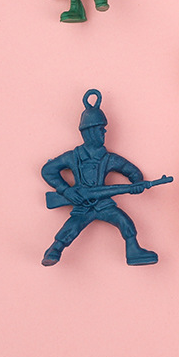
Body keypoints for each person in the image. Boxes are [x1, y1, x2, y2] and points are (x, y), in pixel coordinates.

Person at [41, 90, 160, 266]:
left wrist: (137, 184)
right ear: (89, 132)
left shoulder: (109, 159)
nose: (103, 132)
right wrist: (66, 191)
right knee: (71, 228)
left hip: (104, 204)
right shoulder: (72, 157)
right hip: (82, 203)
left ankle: (133, 251)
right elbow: (48, 170)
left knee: (124, 221)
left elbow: (132, 172)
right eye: (100, 129)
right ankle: (54, 250)